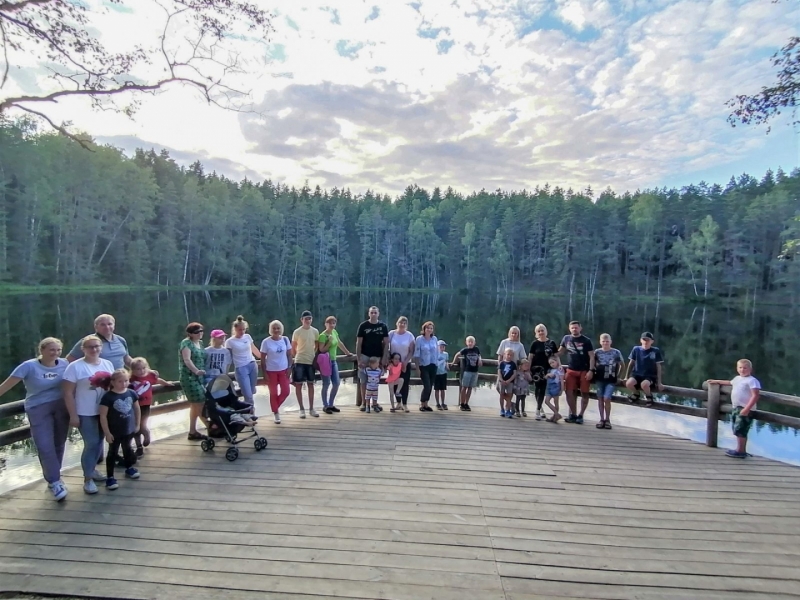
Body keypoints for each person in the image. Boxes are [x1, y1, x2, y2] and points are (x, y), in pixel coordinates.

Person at [0, 337, 70, 501]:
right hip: (38, 408)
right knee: (44, 445)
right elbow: (5, 386)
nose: (56, 353)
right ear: (42, 350)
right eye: (52, 349)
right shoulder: (29, 366)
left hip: (61, 407)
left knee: (59, 443)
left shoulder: (65, 364)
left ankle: (55, 477)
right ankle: (54, 481)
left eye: (58, 350)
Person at [63, 335, 115, 494]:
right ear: (83, 349)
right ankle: (87, 480)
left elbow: (115, 386)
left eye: (97, 346)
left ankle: (92, 470)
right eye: (90, 347)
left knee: (99, 443)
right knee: (91, 443)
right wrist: (73, 415)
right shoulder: (75, 367)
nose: (94, 349)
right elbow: (67, 393)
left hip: (104, 411)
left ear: (101, 347)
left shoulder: (107, 364)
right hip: (85, 412)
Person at [707, 359, 761, 459]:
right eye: (740, 368)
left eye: (745, 368)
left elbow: (755, 395)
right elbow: (729, 382)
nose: (742, 370)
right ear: (737, 368)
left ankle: (740, 451)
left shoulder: (752, 381)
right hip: (736, 407)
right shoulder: (737, 378)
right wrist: (716, 381)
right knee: (737, 429)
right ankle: (740, 449)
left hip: (745, 409)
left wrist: (747, 409)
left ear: (750, 369)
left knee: (741, 429)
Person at [97, 369, 141, 490]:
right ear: (113, 382)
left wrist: (137, 424)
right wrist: (107, 432)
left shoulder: (131, 393)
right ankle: (110, 477)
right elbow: (103, 416)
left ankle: (129, 468)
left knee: (127, 449)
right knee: (112, 452)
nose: (124, 384)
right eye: (120, 381)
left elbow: (137, 409)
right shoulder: (108, 397)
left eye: (126, 380)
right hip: (114, 431)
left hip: (129, 429)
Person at [129, 356, 172, 456]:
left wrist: (166, 383)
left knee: (142, 424)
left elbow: (158, 381)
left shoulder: (149, 376)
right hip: (134, 406)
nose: (141, 371)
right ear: (133, 370)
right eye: (138, 369)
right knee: (136, 426)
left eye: (143, 368)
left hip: (145, 405)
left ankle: (146, 433)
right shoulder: (130, 379)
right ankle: (139, 446)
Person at [558, 321, 595, 424]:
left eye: (576, 327)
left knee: (584, 393)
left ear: (580, 328)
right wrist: (549, 354)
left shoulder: (586, 340)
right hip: (571, 369)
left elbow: (592, 356)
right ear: (569, 329)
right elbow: (560, 352)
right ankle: (573, 414)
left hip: (584, 370)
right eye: (572, 328)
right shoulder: (566, 338)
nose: (574, 329)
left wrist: (591, 370)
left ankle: (581, 415)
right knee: (568, 392)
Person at [318, 315, 355, 414]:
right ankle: (325, 406)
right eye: (330, 323)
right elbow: (321, 350)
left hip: (333, 361)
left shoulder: (334, 332)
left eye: (334, 323)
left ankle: (331, 404)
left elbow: (339, 343)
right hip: (325, 362)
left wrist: (347, 353)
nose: (332, 325)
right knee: (326, 384)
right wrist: (329, 343)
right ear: (326, 324)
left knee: (336, 383)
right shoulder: (322, 336)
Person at [179, 322, 210, 440]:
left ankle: (192, 431)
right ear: (190, 334)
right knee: (200, 402)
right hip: (189, 377)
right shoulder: (186, 343)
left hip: (200, 377)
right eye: (197, 332)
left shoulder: (200, 343)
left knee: (195, 404)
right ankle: (209, 425)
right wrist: (196, 371)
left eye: (201, 331)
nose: (200, 334)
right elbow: (187, 360)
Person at [67, 313, 132, 369]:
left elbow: (126, 359)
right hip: (98, 380)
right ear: (96, 327)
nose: (107, 327)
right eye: (102, 325)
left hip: (120, 380)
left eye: (109, 324)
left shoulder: (120, 340)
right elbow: (69, 360)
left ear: (114, 326)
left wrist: (140, 368)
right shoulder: (88, 341)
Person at [225, 315, 261, 412]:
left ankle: (247, 411)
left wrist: (263, 358)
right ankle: (251, 414)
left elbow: (254, 349)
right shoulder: (229, 342)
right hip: (241, 368)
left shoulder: (247, 337)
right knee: (248, 395)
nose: (242, 332)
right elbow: (228, 358)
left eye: (244, 329)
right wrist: (225, 372)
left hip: (252, 365)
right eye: (240, 330)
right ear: (235, 329)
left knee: (252, 391)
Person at [260, 320, 293, 424]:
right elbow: (262, 359)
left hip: (283, 370)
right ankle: (276, 414)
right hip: (271, 371)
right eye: (274, 328)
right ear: (271, 330)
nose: (276, 330)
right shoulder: (266, 342)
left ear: (281, 329)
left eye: (278, 328)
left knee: (286, 391)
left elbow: (289, 355)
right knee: (273, 393)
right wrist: (264, 373)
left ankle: (275, 407)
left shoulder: (285, 339)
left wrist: (289, 368)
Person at [356, 306, 389, 405]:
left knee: (375, 380)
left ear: (378, 314)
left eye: (375, 312)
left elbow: (386, 343)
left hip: (378, 356)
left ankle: (374, 403)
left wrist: (384, 357)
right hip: (365, 355)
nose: (373, 314)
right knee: (363, 380)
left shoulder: (383, 326)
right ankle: (364, 403)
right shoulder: (363, 326)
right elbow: (358, 343)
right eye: (372, 312)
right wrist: (359, 359)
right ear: (369, 314)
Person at [292, 310, 320, 418]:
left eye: (310, 318)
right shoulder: (297, 332)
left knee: (311, 384)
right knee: (298, 385)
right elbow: (293, 347)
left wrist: (312, 355)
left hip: (310, 361)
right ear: (301, 320)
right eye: (306, 319)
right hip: (299, 361)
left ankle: (311, 409)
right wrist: (296, 357)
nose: (308, 320)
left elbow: (316, 346)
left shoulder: (315, 331)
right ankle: (301, 409)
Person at [625, 332, 664, 406]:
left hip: (649, 375)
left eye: (648, 340)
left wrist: (659, 382)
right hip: (637, 374)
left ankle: (649, 396)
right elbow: (631, 363)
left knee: (644, 385)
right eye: (644, 340)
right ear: (641, 340)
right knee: (628, 383)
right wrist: (626, 377)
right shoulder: (636, 349)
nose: (646, 342)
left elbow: (658, 366)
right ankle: (636, 393)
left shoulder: (655, 351)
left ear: (652, 341)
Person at [593, 334, 624, 430]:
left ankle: (607, 419)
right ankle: (601, 419)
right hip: (599, 379)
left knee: (607, 398)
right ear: (600, 342)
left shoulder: (616, 352)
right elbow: (592, 364)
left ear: (611, 342)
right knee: (600, 398)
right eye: (603, 341)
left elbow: (622, 365)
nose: (605, 343)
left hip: (611, 379)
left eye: (607, 341)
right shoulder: (597, 352)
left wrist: (619, 377)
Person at [528, 324, 558, 421]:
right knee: (538, 389)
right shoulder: (534, 344)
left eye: (542, 330)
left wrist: (560, 366)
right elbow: (530, 357)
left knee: (543, 389)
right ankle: (538, 410)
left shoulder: (552, 343)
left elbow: (556, 356)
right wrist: (528, 369)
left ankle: (539, 408)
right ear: (536, 333)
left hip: (547, 370)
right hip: (536, 370)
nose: (541, 332)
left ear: (546, 331)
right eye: (539, 331)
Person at [495, 326, 526, 413]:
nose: (513, 335)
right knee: (498, 388)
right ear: (509, 333)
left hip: (513, 370)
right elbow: (500, 354)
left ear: (518, 334)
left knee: (510, 390)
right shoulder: (504, 342)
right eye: (512, 333)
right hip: (503, 368)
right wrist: (499, 365)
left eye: (515, 333)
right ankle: (510, 403)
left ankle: (507, 408)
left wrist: (522, 368)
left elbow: (523, 358)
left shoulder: (520, 345)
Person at [387, 316, 415, 412]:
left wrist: (405, 362)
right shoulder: (391, 333)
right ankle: (398, 403)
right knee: (394, 383)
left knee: (405, 383)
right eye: (400, 322)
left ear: (406, 325)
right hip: (394, 364)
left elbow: (411, 351)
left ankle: (405, 404)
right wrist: (388, 360)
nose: (402, 324)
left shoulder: (409, 335)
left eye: (404, 323)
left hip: (405, 363)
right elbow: (386, 346)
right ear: (397, 323)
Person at [414, 321, 439, 412]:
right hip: (423, 365)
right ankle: (422, 403)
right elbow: (416, 354)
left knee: (431, 385)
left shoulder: (434, 339)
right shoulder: (419, 339)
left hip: (433, 365)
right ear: (424, 329)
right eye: (427, 328)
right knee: (427, 385)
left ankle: (426, 404)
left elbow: (437, 352)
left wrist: (438, 363)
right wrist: (417, 368)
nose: (429, 330)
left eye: (431, 328)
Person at [452, 336, 482, 411]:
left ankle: (466, 403)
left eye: (472, 342)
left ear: (474, 343)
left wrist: (480, 360)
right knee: (464, 387)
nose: (470, 343)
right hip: (467, 371)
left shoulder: (476, 349)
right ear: (466, 342)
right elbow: (457, 354)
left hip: (475, 371)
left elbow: (479, 355)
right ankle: (462, 404)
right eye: (469, 341)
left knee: (470, 388)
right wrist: (454, 362)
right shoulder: (465, 350)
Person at [496, 348, 517, 418]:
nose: (509, 356)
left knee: (509, 395)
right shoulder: (502, 363)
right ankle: (502, 409)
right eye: (508, 354)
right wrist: (501, 380)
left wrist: (509, 380)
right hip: (501, 381)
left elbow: (514, 374)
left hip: (510, 382)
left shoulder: (513, 364)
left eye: (511, 355)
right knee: (501, 395)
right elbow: (499, 372)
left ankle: (507, 410)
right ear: (504, 355)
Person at [544, 357, 564, 423]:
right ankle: (557, 414)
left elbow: (561, 380)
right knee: (547, 401)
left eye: (553, 362)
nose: (552, 364)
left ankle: (555, 417)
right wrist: (547, 376)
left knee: (556, 402)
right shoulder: (550, 370)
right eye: (550, 363)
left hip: (556, 387)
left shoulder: (560, 370)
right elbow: (546, 378)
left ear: (557, 362)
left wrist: (562, 389)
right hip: (549, 387)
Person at [434, 340, 449, 410]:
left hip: (443, 373)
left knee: (443, 389)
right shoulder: (435, 354)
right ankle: (437, 403)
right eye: (441, 346)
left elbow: (446, 361)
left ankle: (443, 403)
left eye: (444, 346)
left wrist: (447, 366)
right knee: (436, 389)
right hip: (436, 374)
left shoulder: (446, 354)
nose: (442, 348)